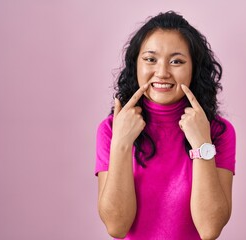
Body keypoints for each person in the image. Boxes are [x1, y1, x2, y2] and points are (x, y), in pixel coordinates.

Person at [95, 11, 236, 240]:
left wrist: (202, 144)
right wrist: (121, 143)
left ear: (194, 69)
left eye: (176, 61)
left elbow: (210, 229)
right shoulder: (111, 129)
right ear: (135, 64)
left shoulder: (219, 131)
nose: (162, 72)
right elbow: (116, 227)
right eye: (150, 59)